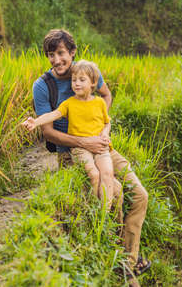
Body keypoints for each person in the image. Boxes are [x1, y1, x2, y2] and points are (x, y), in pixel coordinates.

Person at [26, 29, 150, 280]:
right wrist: (85, 140)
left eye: (61, 53)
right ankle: (114, 257)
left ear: (72, 52)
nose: (56, 60)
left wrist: (98, 126)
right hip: (72, 153)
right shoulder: (43, 86)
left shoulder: (87, 72)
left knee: (140, 195)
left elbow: (106, 95)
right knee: (114, 191)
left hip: (102, 147)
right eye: (51, 55)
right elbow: (48, 132)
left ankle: (128, 261)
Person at [23, 60, 123, 214]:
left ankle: (105, 215)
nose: (76, 83)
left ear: (93, 83)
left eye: (82, 80)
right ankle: (94, 211)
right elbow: (53, 114)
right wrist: (35, 122)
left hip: (100, 145)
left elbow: (106, 123)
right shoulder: (69, 103)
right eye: (74, 80)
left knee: (108, 173)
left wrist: (105, 133)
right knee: (94, 174)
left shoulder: (99, 103)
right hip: (80, 148)